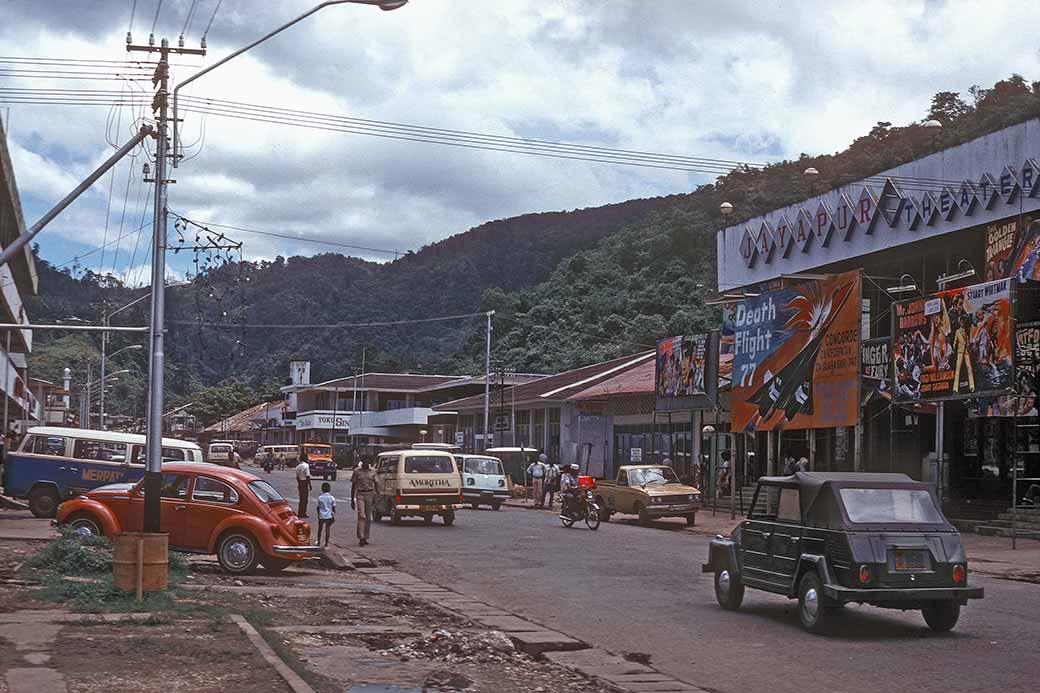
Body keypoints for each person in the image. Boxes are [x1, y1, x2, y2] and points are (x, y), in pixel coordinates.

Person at [351, 458, 378, 546]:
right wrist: (352, 500)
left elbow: (376, 484)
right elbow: (353, 485)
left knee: (368, 518)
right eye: (364, 462)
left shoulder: (373, 471)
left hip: (370, 494)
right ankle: (361, 537)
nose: (365, 464)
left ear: (369, 463)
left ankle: (366, 537)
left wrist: (377, 496)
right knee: (362, 515)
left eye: (367, 462)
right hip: (360, 494)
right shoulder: (357, 471)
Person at [316, 482, 336, 547]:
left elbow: (318, 507)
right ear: (329, 489)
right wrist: (334, 515)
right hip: (328, 515)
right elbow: (333, 508)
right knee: (327, 529)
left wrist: (318, 515)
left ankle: (318, 541)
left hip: (321, 515)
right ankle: (326, 543)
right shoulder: (332, 498)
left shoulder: (320, 498)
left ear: (322, 489)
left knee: (320, 529)